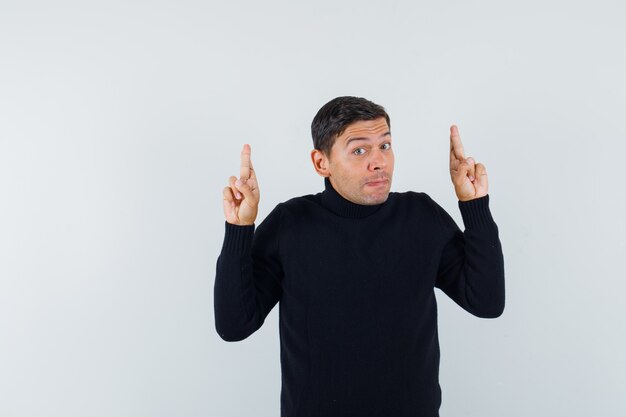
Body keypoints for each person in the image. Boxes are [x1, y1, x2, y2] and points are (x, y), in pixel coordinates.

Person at [214, 96, 505, 417]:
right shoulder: (291, 224)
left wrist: (474, 205)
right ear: (321, 162)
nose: (379, 161)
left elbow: (486, 302)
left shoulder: (421, 217)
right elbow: (234, 326)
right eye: (359, 150)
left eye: (386, 145)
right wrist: (240, 228)